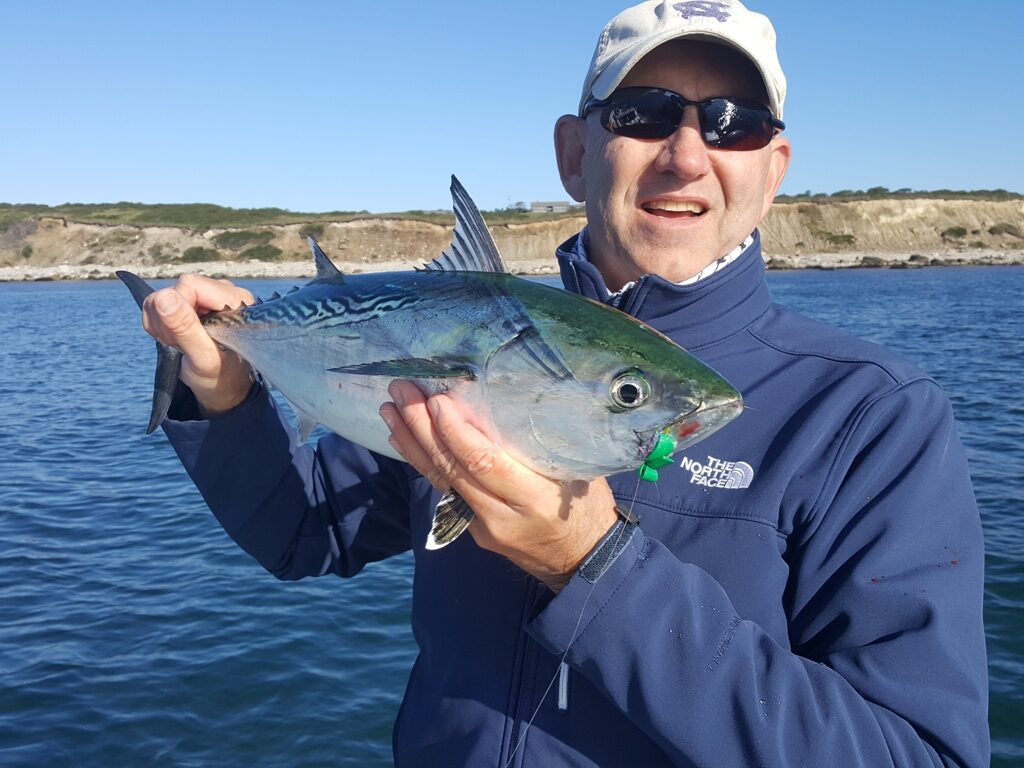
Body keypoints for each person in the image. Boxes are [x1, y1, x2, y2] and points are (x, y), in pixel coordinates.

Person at [141, 1, 990, 765]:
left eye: (734, 124)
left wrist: (596, 567)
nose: (688, 155)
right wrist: (224, 394)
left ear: (774, 167)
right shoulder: (470, 351)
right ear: (574, 153)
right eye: (645, 114)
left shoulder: (872, 417)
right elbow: (302, 532)